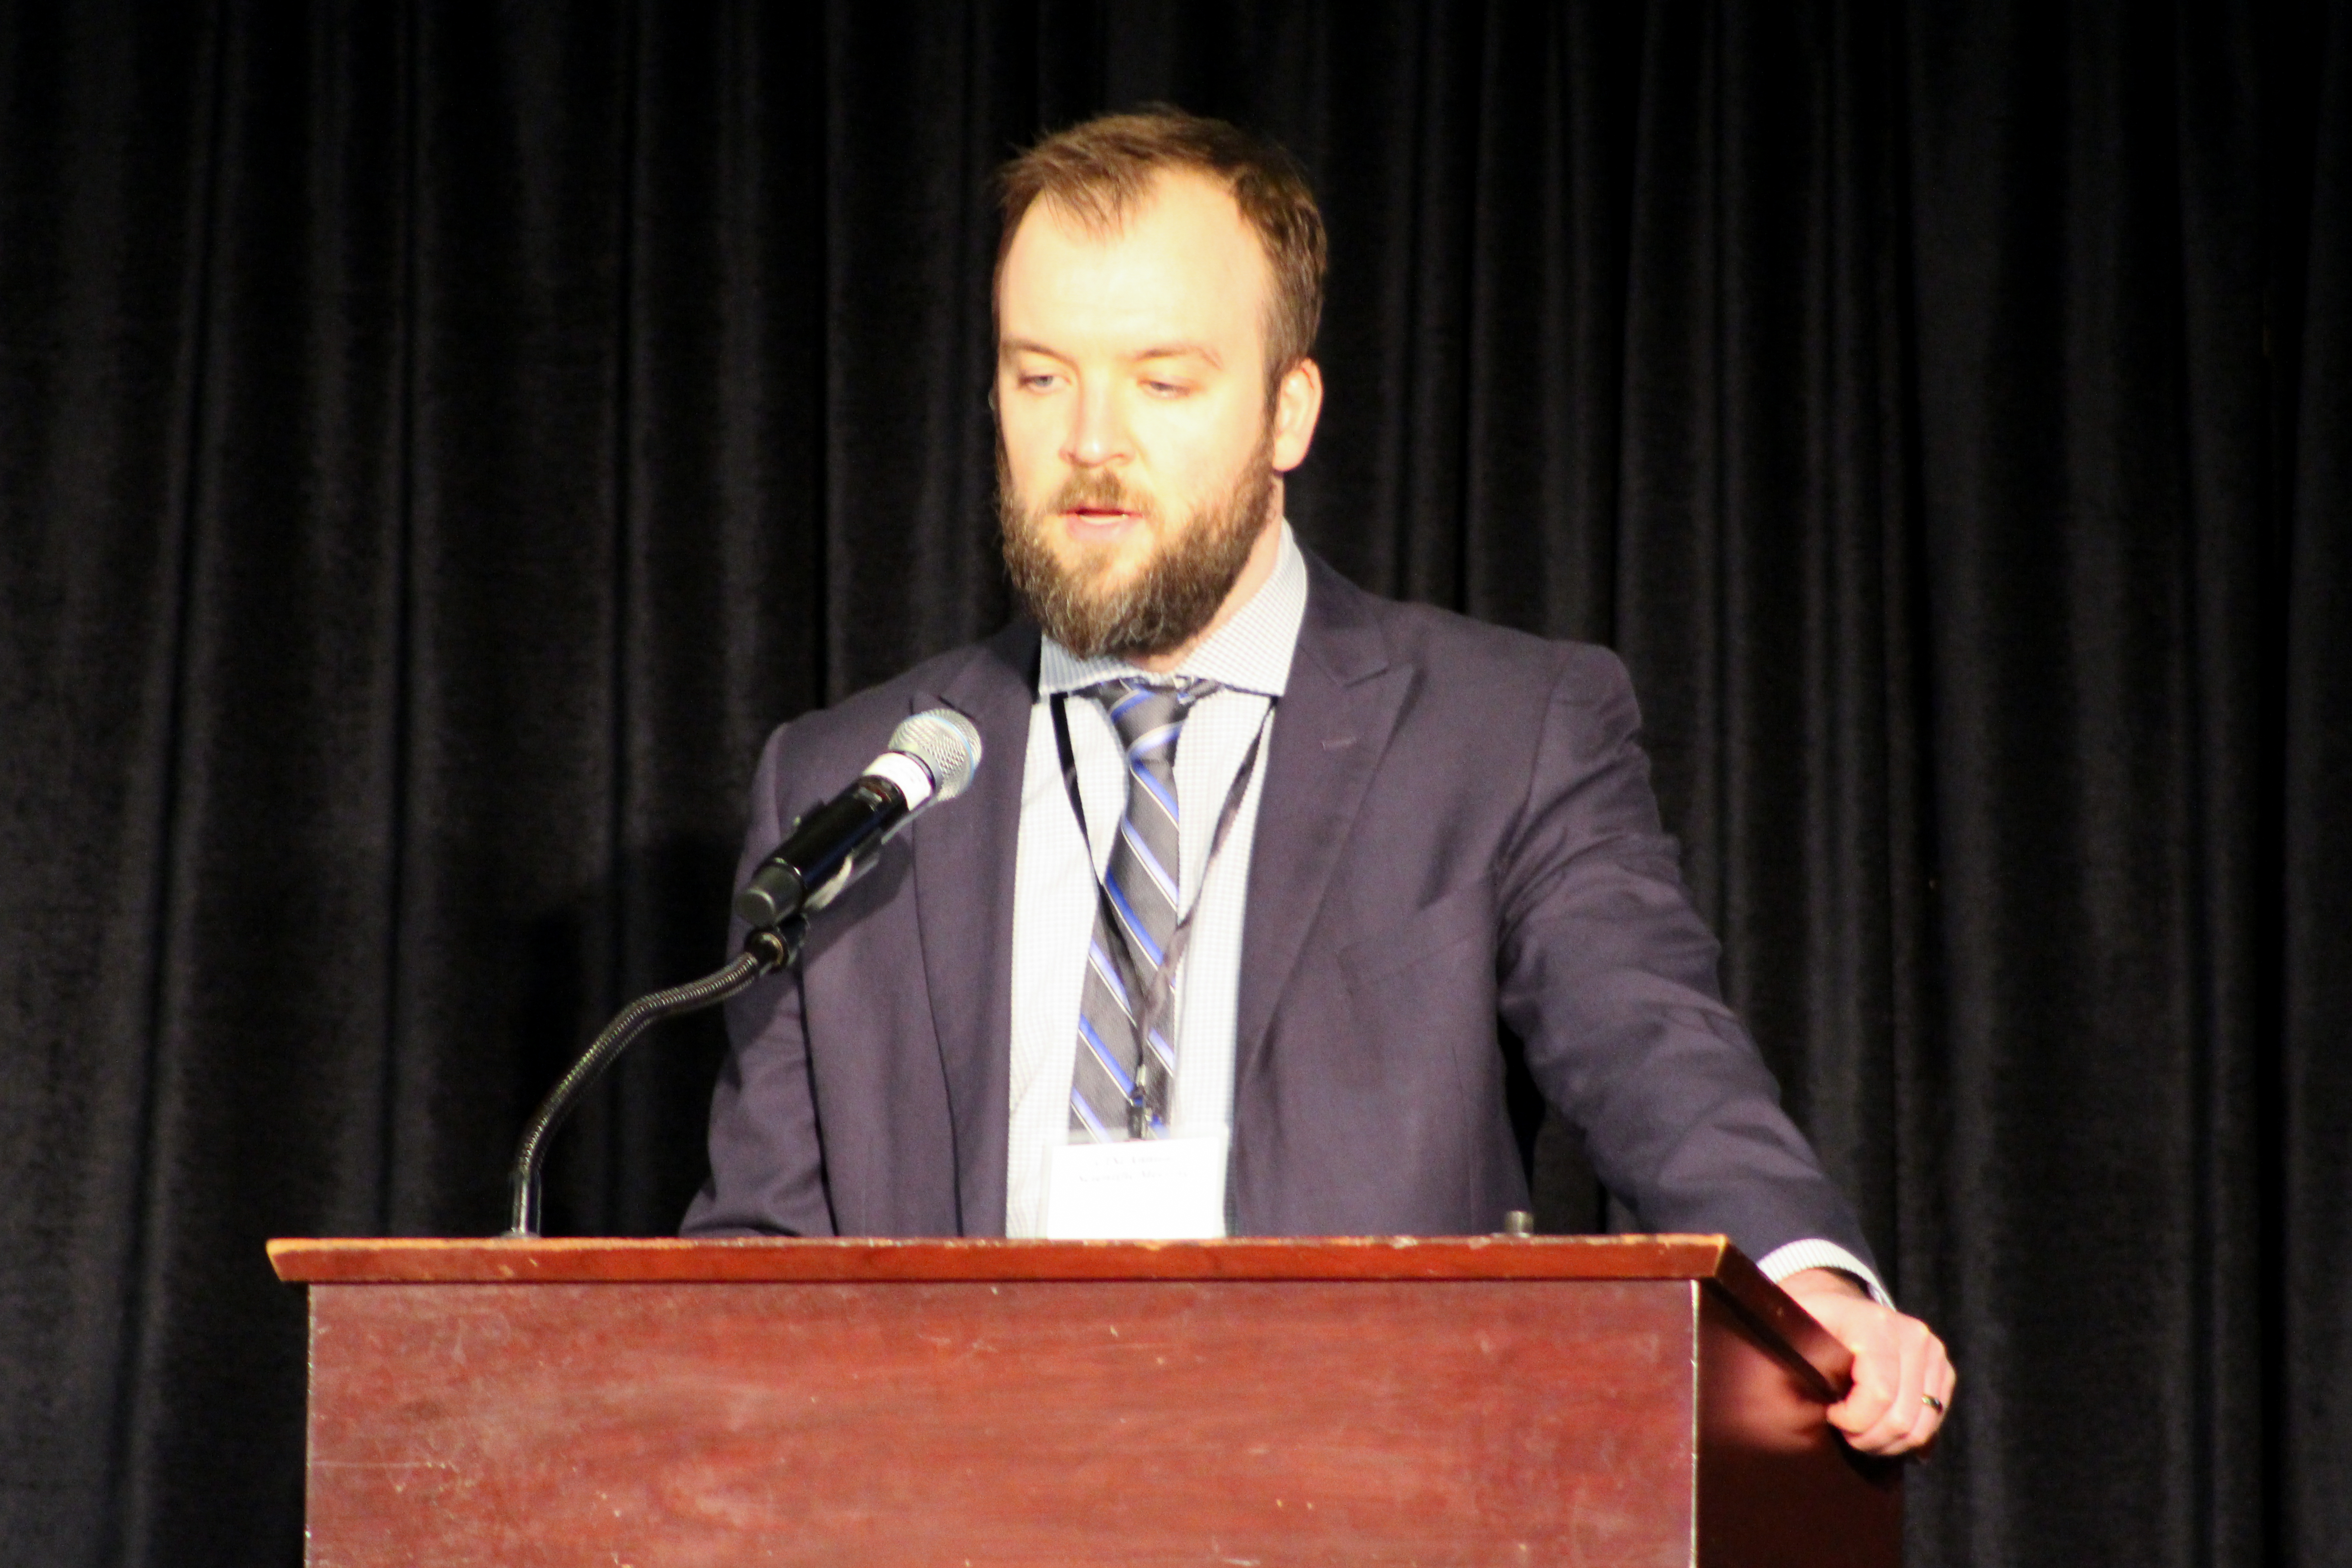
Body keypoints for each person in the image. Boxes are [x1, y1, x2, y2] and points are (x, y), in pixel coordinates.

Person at [683, 107, 1952, 1456]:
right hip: (955, 1498)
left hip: (1370, 1486)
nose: (1091, 442)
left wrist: (1811, 1286)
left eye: (1163, 382)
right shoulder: (853, 786)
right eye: (1041, 377)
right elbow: (756, 1269)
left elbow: (1655, 1052)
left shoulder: (1501, 734)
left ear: (1288, 409)